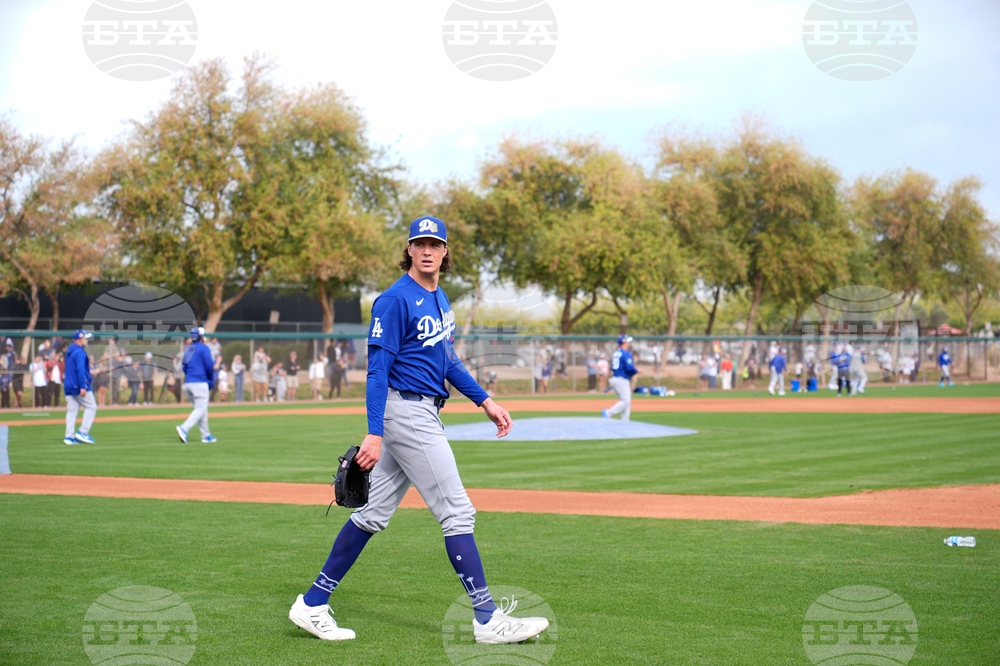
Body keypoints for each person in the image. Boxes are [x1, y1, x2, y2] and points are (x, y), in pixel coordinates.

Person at [289, 215, 547, 644]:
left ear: (446, 253)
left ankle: (312, 603)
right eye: (419, 243)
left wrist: (485, 400)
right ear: (408, 250)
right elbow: (376, 370)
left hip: (423, 410)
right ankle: (487, 619)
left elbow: (448, 361)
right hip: (406, 412)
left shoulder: (440, 297)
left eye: (435, 243)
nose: (427, 250)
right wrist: (374, 432)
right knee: (457, 511)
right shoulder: (394, 300)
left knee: (372, 514)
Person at [176, 327, 217, 444]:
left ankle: (206, 435)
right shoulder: (204, 348)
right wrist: (210, 380)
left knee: (201, 409)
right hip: (199, 383)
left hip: (188, 384)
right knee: (200, 408)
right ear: (201, 337)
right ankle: (184, 428)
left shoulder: (187, 350)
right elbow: (209, 366)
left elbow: (184, 367)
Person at [63, 330, 98, 445]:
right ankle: (83, 432)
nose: (86, 340)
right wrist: (83, 387)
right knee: (92, 406)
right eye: (85, 338)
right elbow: (80, 370)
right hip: (78, 386)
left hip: (68, 385)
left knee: (72, 411)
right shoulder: (80, 352)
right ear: (79, 339)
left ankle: (69, 437)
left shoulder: (70, 351)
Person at [602, 334, 640, 421]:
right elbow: (629, 368)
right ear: (624, 343)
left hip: (615, 378)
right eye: (627, 341)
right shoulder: (625, 353)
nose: (629, 343)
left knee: (627, 401)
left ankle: (625, 420)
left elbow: (612, 367)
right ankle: (608, 413)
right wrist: (637, 370)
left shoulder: (616, 352)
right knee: (626, 401)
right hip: (621, 379)